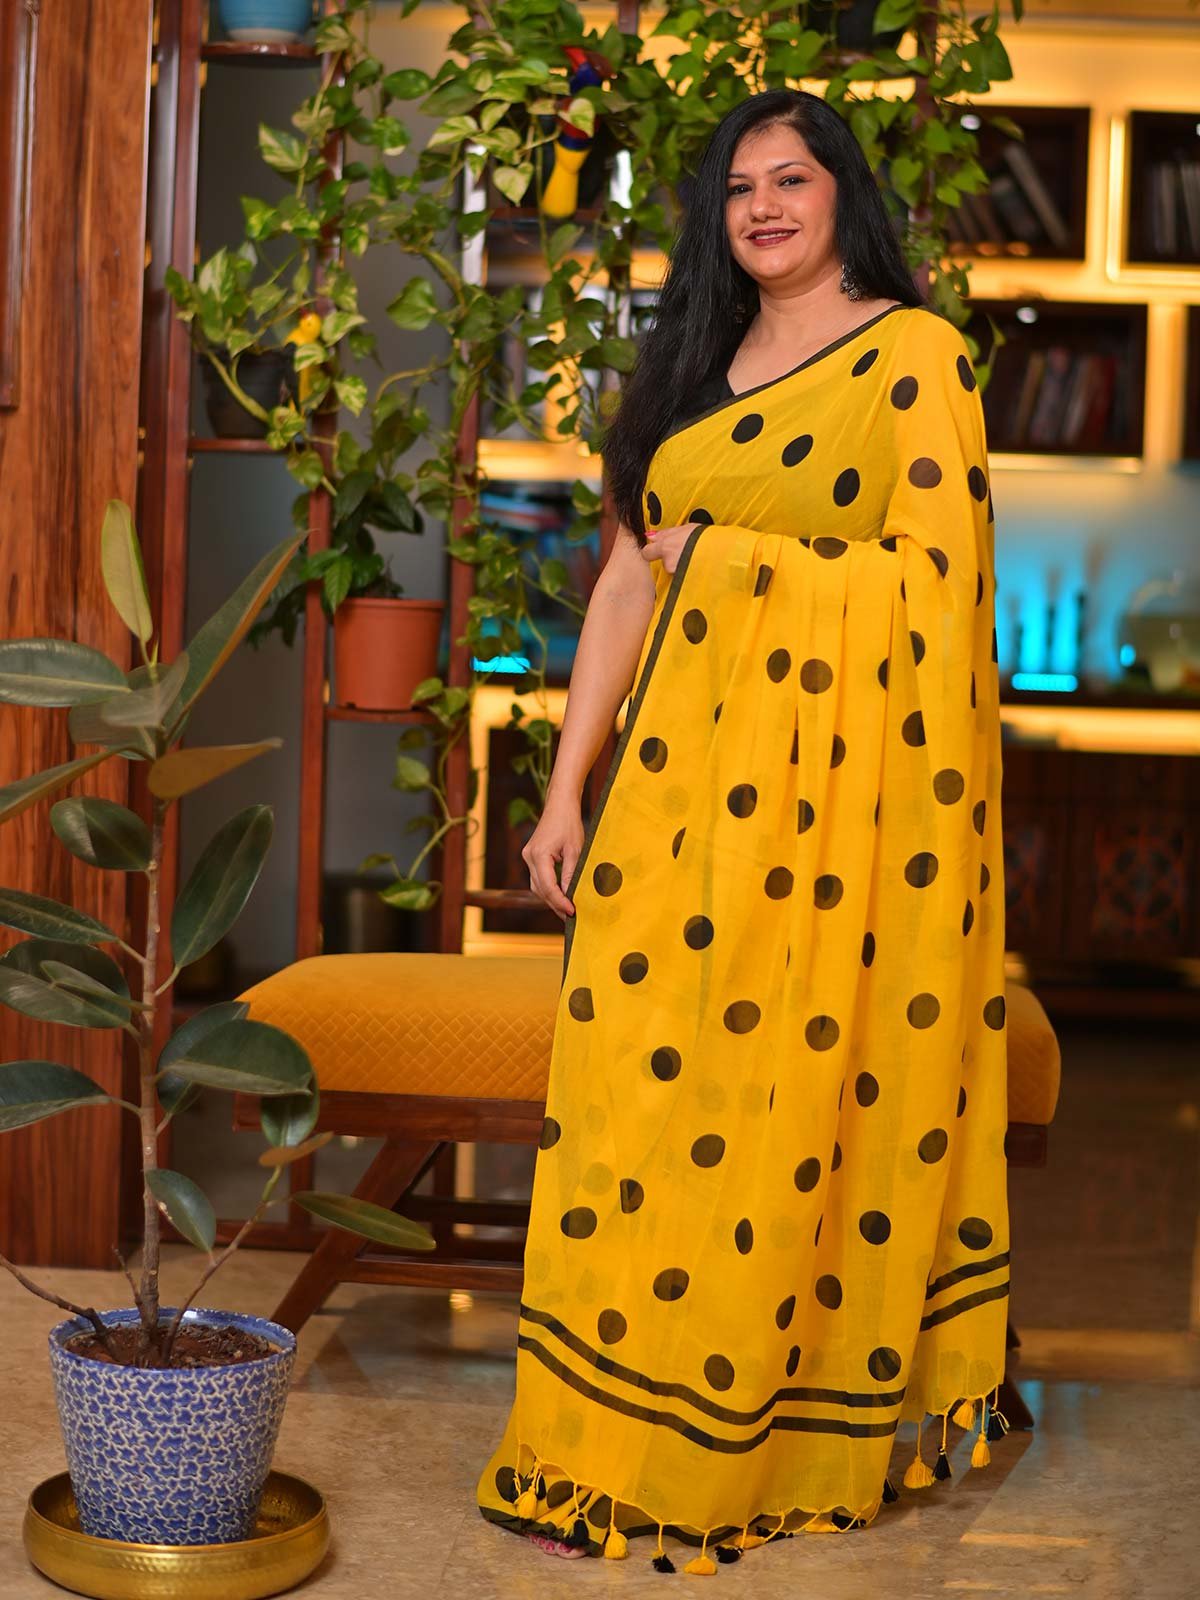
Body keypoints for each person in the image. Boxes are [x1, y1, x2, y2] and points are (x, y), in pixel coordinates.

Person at [475, 86, 1010, 1573]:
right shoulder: (691, 372)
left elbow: (940, 593)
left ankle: (742, 1442)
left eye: (791, 179)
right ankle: (595, 1441)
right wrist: (566, 791)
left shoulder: (913, 360)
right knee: (633, 1114)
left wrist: (741, 562)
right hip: (672, 807)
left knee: (779, 1113)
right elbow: (627, 585)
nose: (763, 207)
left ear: (843, 195)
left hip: (836, 834)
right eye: (738, 187)